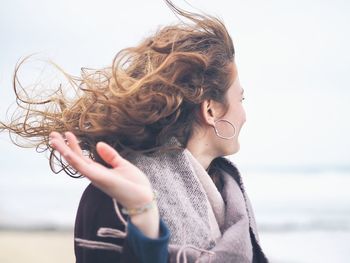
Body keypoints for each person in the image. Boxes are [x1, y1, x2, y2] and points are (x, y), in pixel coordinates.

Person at [0, 0, 269, 262]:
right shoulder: (116, 196)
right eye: (241, 100)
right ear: (210, 110)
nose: (244, 115)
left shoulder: (230, 195)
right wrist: (145, 217)